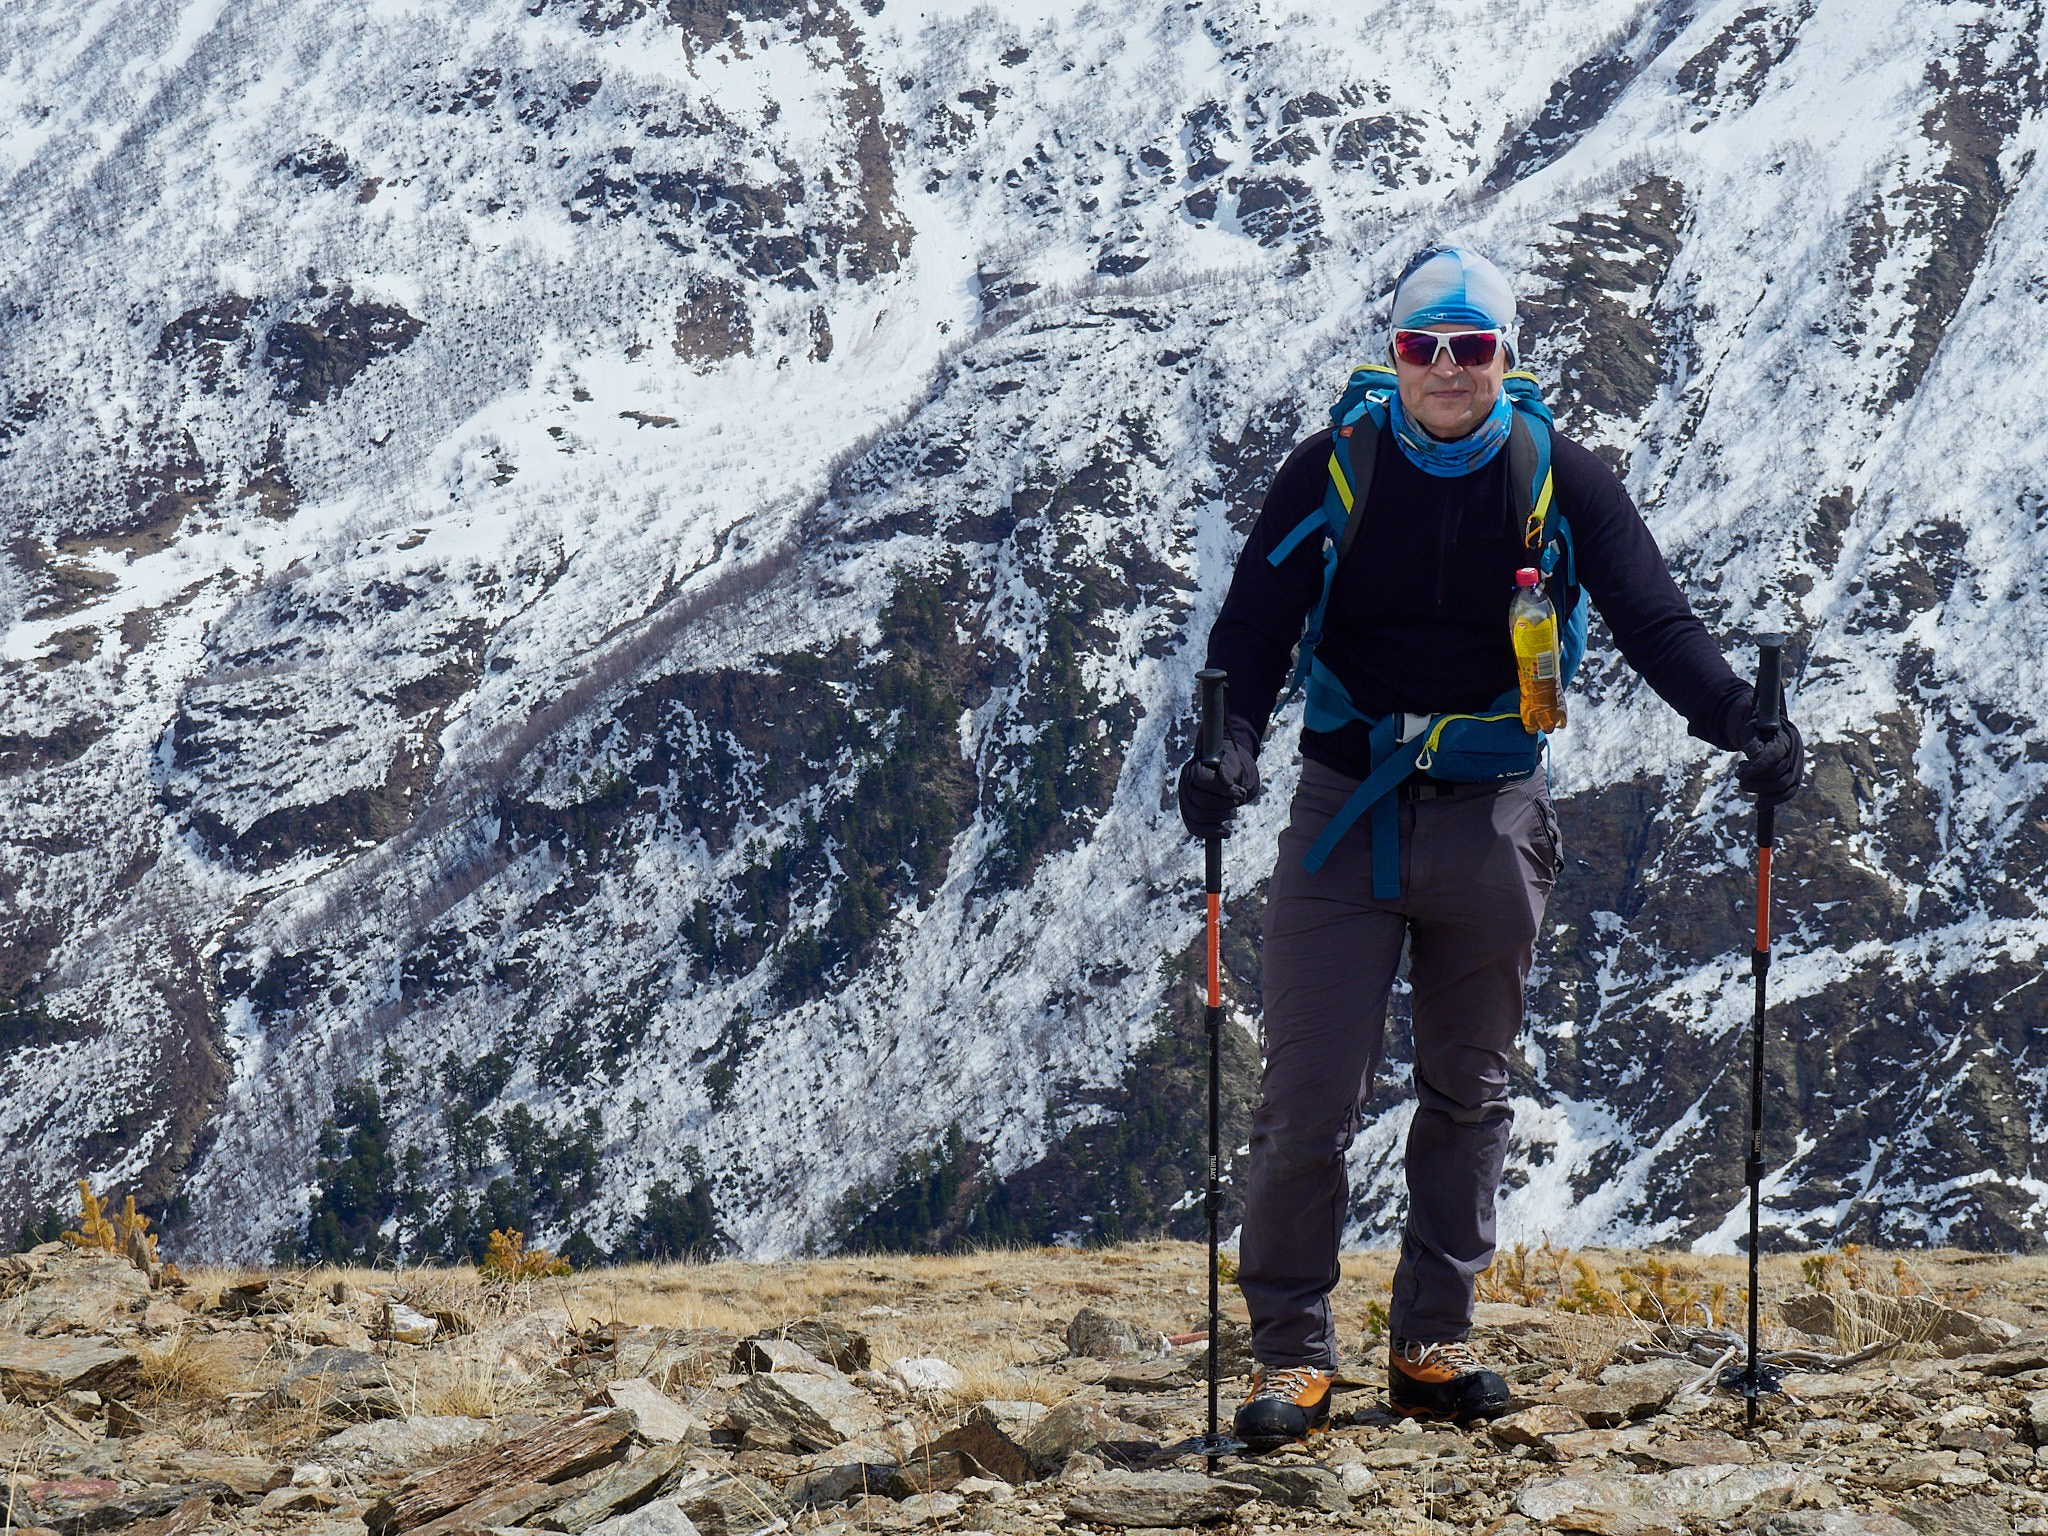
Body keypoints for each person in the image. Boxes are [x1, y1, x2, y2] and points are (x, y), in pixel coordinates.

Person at [1177, 246, 1803, 1450]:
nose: (1448, 371)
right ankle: (1291, 1357)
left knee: (1467, 1093)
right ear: (1391, 356)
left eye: (1471, 349)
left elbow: (1650, 617)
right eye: (1424, 349)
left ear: (1507, 358)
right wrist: (1230, 746)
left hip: (1494, 810)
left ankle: (1429, 1346)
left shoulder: (1559, 477)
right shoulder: (1330, 468)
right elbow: (1251, 628)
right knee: (1309, 1096)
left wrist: (1737, 717)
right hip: (1341, 809)